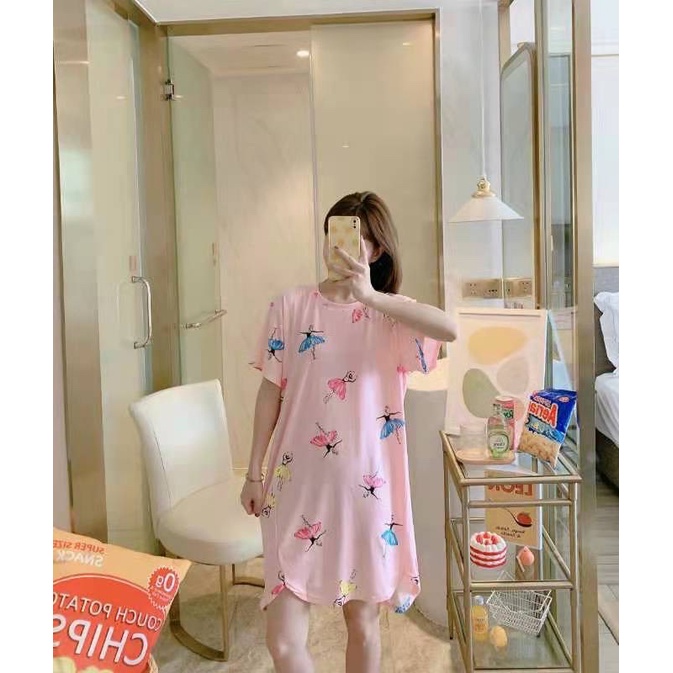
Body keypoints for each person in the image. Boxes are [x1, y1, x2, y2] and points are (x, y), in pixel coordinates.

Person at [240, 191, 457, 673]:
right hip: (295, 487)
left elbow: (450, 330)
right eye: (333, 233)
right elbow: (269, 393)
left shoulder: (391, 314)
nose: (338, 246)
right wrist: (253, 471)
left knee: (362, 626)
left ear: (375, 249)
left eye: (353, 237)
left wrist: (372, 297)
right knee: (282, 641)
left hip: (366, 495)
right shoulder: (290, 306)